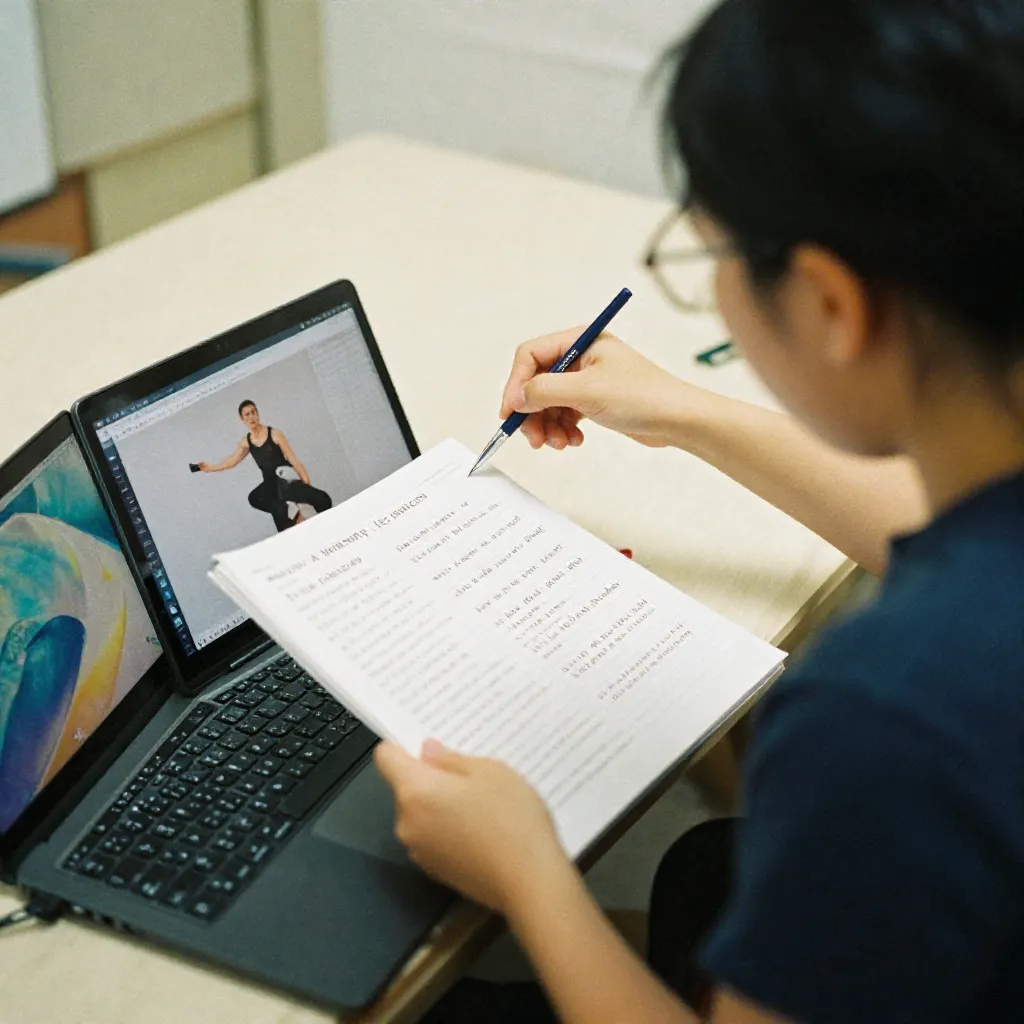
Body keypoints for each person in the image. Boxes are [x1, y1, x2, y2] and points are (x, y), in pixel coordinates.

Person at [374, 1, 1024, 1022]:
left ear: (830, 304)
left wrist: (531, 879)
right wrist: (680, 412)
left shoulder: (883, 715)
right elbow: (946, 538)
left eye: (714, 253)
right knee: (697, 877)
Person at [195, 400, 332, 532]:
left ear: (258, 414)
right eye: (247, 415)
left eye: (253, 412)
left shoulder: (274, 434)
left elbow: (292, 458)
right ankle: (290, 514)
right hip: (271, 486)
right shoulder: (246, 442)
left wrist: (305, 481)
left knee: (324, 501)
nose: (251, 417)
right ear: (242, 420)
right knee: (256, 499)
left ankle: (311, 517)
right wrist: (210, 468)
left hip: (286, 481)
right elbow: (231, 461)